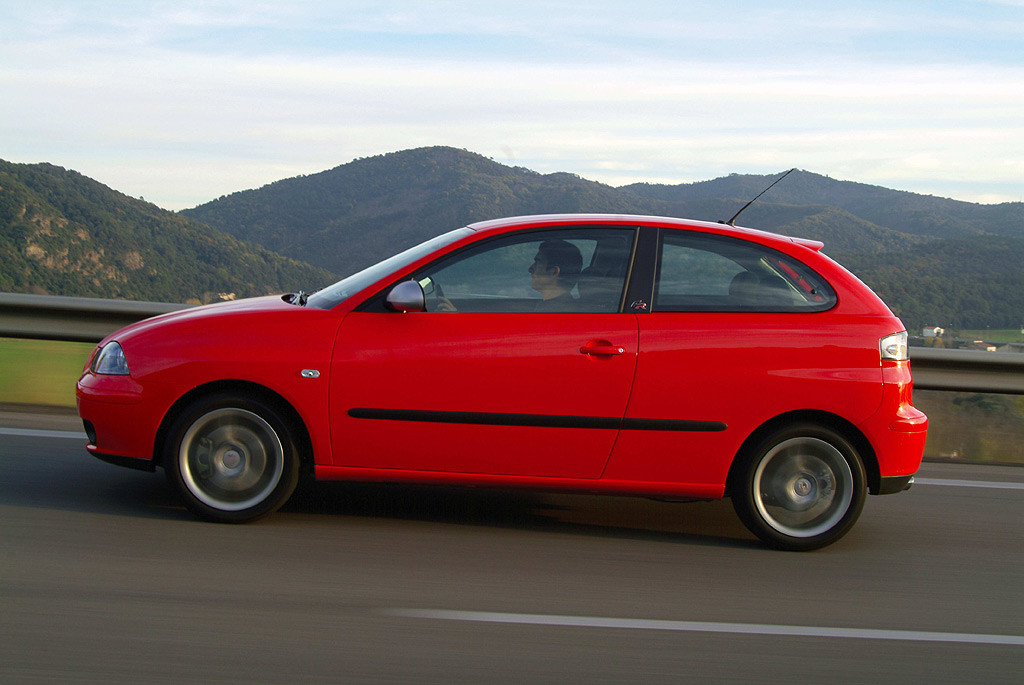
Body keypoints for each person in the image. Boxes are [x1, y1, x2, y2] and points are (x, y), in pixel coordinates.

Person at [529, 239, 582, 311]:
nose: (530, 269)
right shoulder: (568, 308)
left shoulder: (550, 313)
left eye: (538, 262)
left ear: (554, 272)